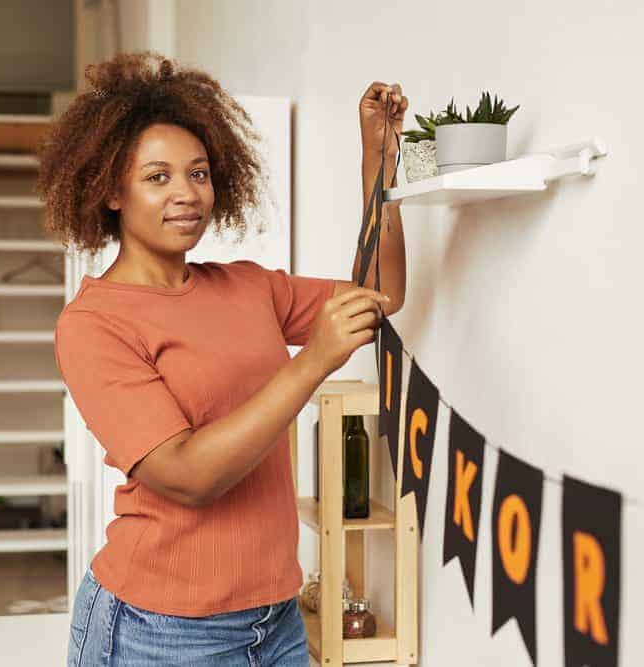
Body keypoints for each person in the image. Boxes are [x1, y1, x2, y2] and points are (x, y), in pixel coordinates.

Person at [37, 51, 408, 667]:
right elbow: (187, 476)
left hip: (277, 619)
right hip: (159, 631)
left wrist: (379, 166)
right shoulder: (93, 324)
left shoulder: (247, 285)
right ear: (109, 191)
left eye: (200, 173)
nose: (187, 194)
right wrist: (312, 362)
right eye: (158, 177)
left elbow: (381, 294)